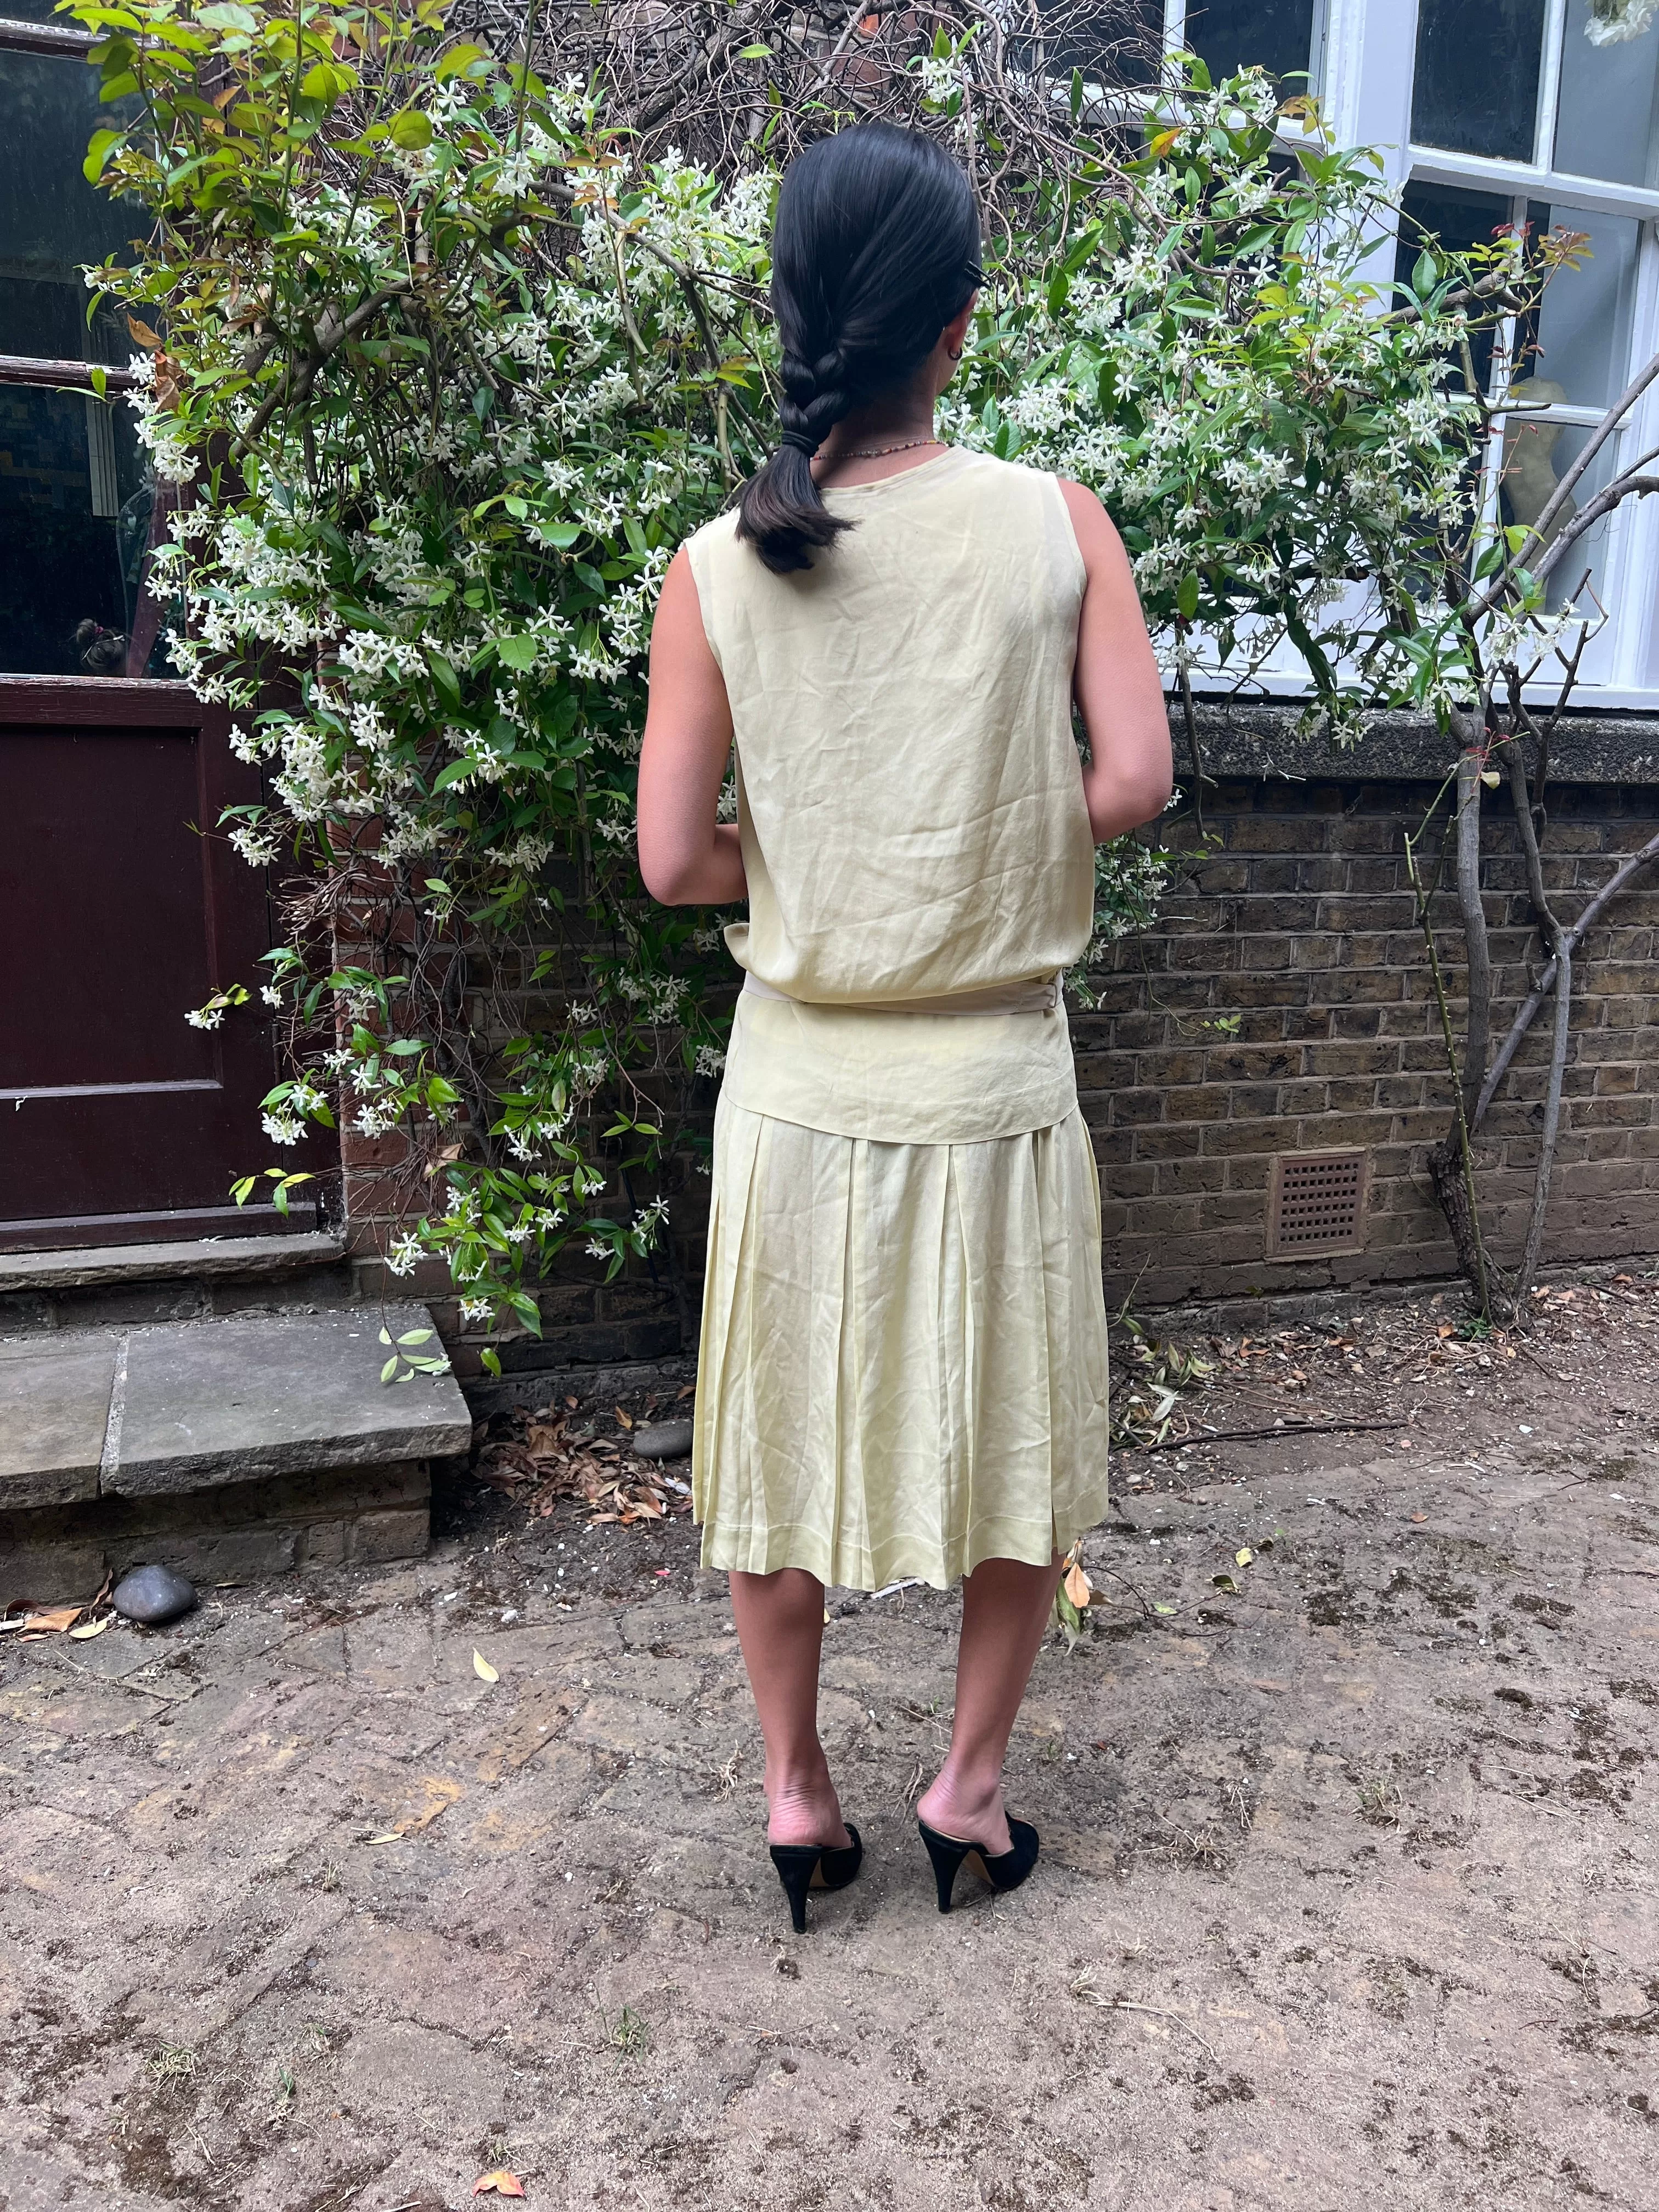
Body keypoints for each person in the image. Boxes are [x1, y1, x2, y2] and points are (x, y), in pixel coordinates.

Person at [636, 121, 1171, 1930]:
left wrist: (823, 855)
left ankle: (800, 1805)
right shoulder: (1052, 524)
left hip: (797, 1095)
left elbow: (670, 860)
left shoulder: (716, 565)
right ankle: (968, 1790)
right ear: (961, 322)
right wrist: (980, 843)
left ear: (791, 312)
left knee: (778, 1451)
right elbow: (1135, 780)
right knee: (1012, 1444)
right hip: (998, 1084)